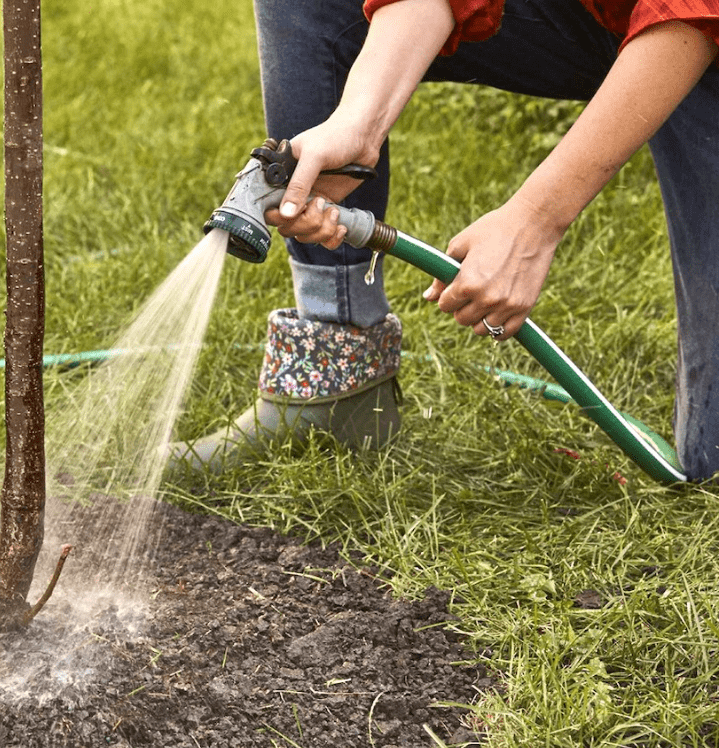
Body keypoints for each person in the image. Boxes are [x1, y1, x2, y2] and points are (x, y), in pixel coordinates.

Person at [179, 0, 719, 482]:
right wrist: (359, 125)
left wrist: (534, 221)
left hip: (696, 33)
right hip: (597, 15)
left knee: (709, 463)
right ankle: (335, 370)